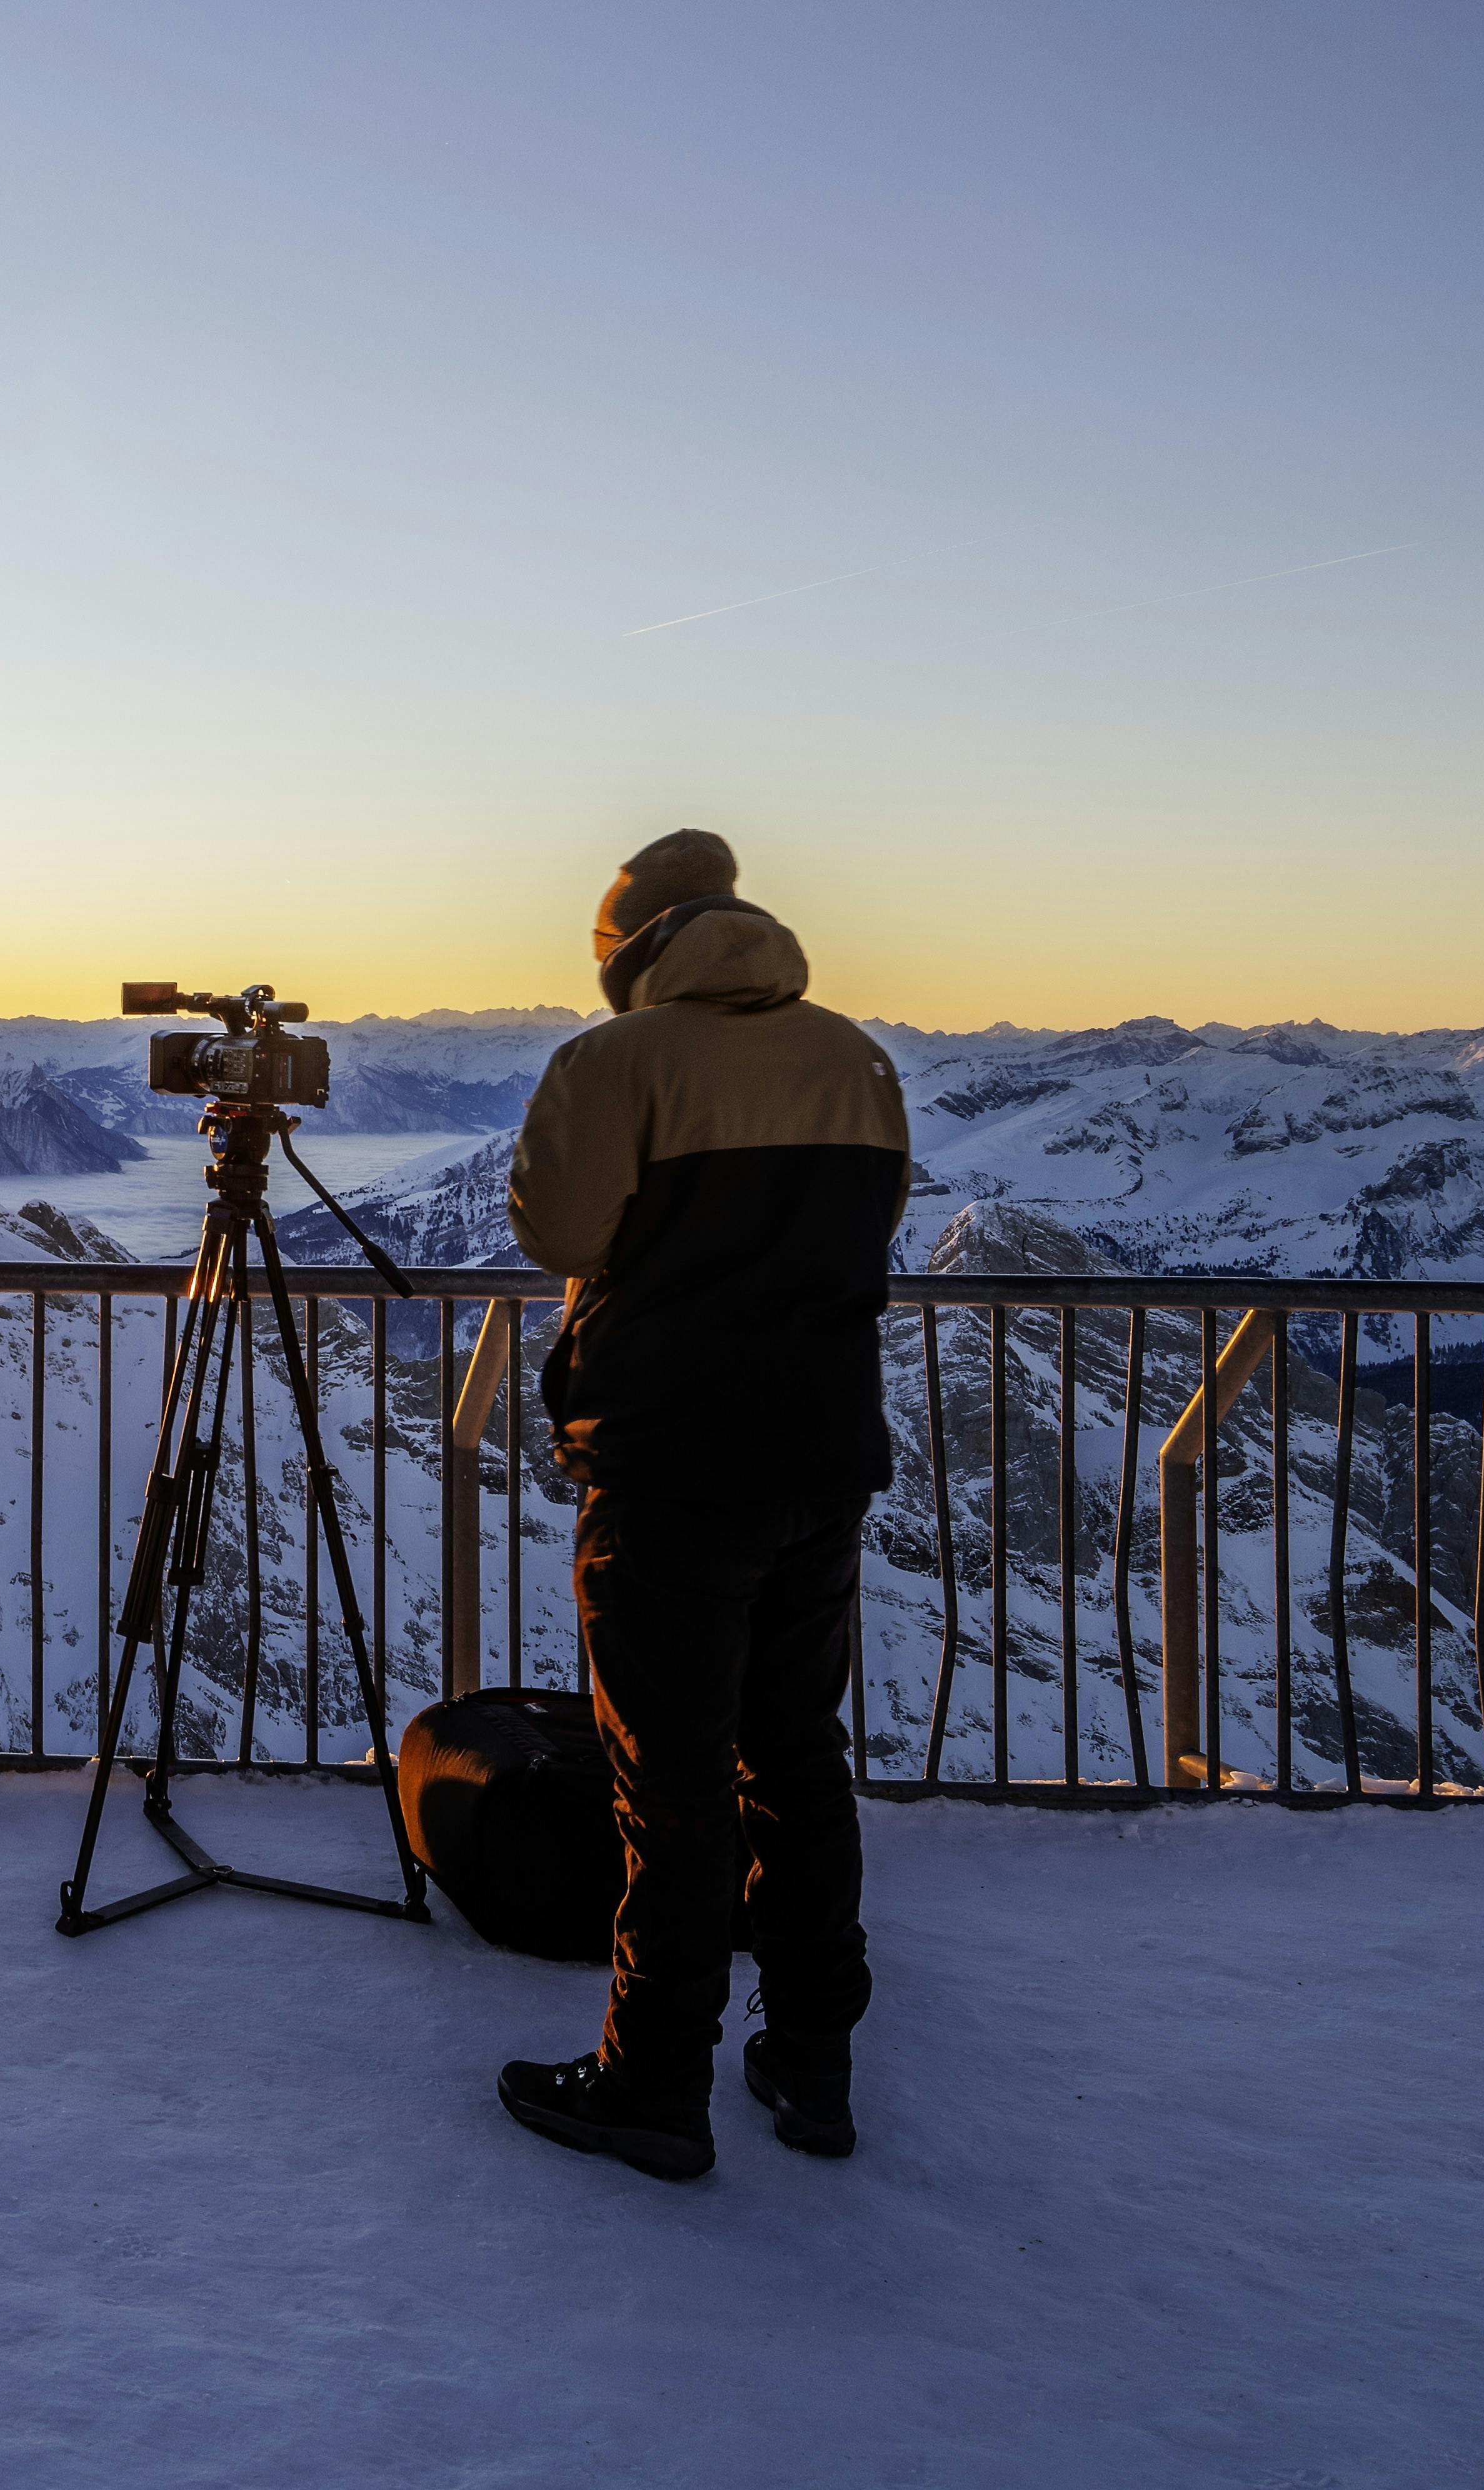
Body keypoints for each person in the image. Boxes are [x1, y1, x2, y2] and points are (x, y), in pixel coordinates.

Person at [494, 828, 910, 2181]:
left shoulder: (615, 1062)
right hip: (820, 1460)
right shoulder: (853, 1055)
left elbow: (556, 1236)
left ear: (630, 949)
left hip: (669, 1469)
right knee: (795, 1764)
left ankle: (652, 2078)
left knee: (667, 1788)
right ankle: (811, 2062)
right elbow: (871, 1223)